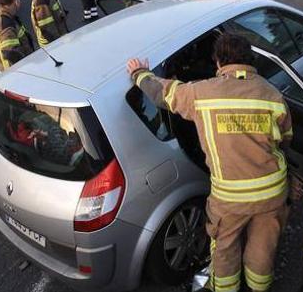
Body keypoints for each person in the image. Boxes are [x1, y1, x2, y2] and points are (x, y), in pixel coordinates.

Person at [126, 33, 293, 292]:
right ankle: (259, 287)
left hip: (230, 198)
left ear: (218, 62)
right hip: (272, 193)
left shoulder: (202, 93)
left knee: (225, 249)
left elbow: (162, 94)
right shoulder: (272, 96)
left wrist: (139, 74)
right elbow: (285, 139)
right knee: (263, 248)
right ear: (250, 58)